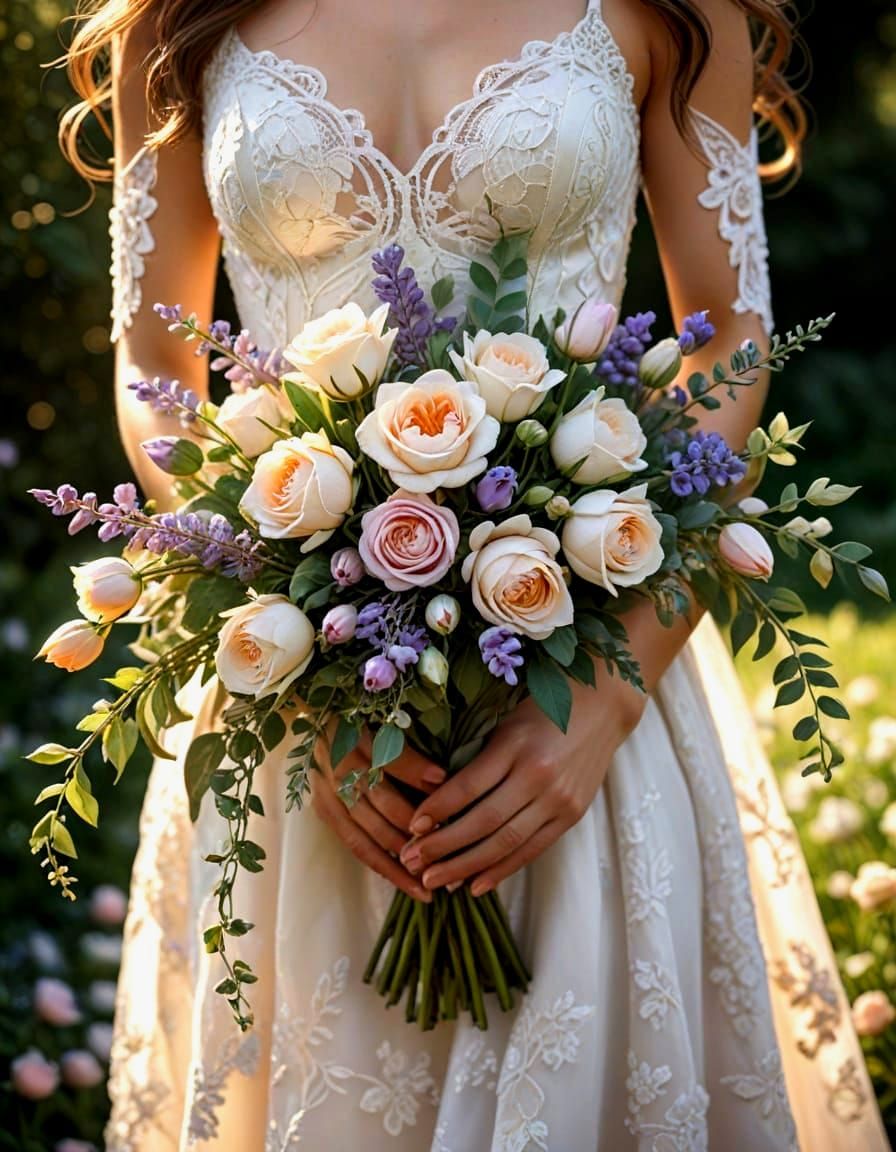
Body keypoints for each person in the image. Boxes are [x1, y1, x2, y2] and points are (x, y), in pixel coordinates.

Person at [59, 0, 889, 1148]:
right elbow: (156, 366)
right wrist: (295, 672)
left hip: (581, 686)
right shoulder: (178, 17)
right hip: (303, 729)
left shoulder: (669, 11)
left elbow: (729, 352)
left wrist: (605, 700)